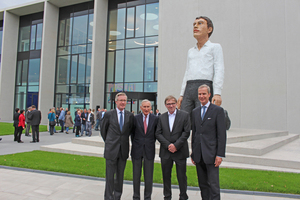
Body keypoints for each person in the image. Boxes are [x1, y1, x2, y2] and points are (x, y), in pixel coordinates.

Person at [177, 16, 224, 117]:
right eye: (194, 24)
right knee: (184, 118)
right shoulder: (191, 51)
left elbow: (219, 69)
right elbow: (187, 72)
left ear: (209, 29)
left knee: (203, 118)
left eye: (200, 23)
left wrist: (217, 93)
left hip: (205, 85)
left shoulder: (215, 47)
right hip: (189, 87)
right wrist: (182, 94)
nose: (195, 26)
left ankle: (224, 117)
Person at [191, 84, 226, 200]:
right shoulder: (195, 111)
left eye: (204, 94)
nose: (201, 96)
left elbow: (221, 135)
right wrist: (193, 153)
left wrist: (219, 154)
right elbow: (195, 133)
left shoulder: (218, 111)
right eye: (199, 94)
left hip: (211, 154)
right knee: (203, 185)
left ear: (209, 95)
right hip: (199, 155)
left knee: (214, 185)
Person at [155, 95, 190, 200]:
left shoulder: (185, 115)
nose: (171, 106)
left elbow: (186, 132)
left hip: (180, 151)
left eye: (173, 103)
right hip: (166, 152)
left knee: (181, 176)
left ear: (176, 104)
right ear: (165, 105)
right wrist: (168, 145)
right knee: (166, 176)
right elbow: (158, 133)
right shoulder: (161, 117)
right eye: (168, 104)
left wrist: (176, 145)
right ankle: (167, 196)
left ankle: (183, 195)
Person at [101, 92, 134, 200]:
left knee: (120, 177)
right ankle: (108, 197)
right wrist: (110, 141)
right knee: (110, 177)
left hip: (123, 150)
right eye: (121, 100)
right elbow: (103, 131)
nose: (123, 102)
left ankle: (117, 197)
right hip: (111, 150)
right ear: (116, 102)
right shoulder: (108, 115)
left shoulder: (130, 115)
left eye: (125, 100)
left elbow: (130, 131)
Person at [131, 99, 158, 200]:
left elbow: (155, 134)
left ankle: (148, 197)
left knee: (148, 177)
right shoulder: (135, 118)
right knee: (136, 176)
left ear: (151, 107)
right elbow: (132, 134)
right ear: (141, 108)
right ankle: (136, 197)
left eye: (148, 107)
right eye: (144, 107)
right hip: (137, 150)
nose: (146, 109)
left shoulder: (155, 119)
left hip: (149, 150)